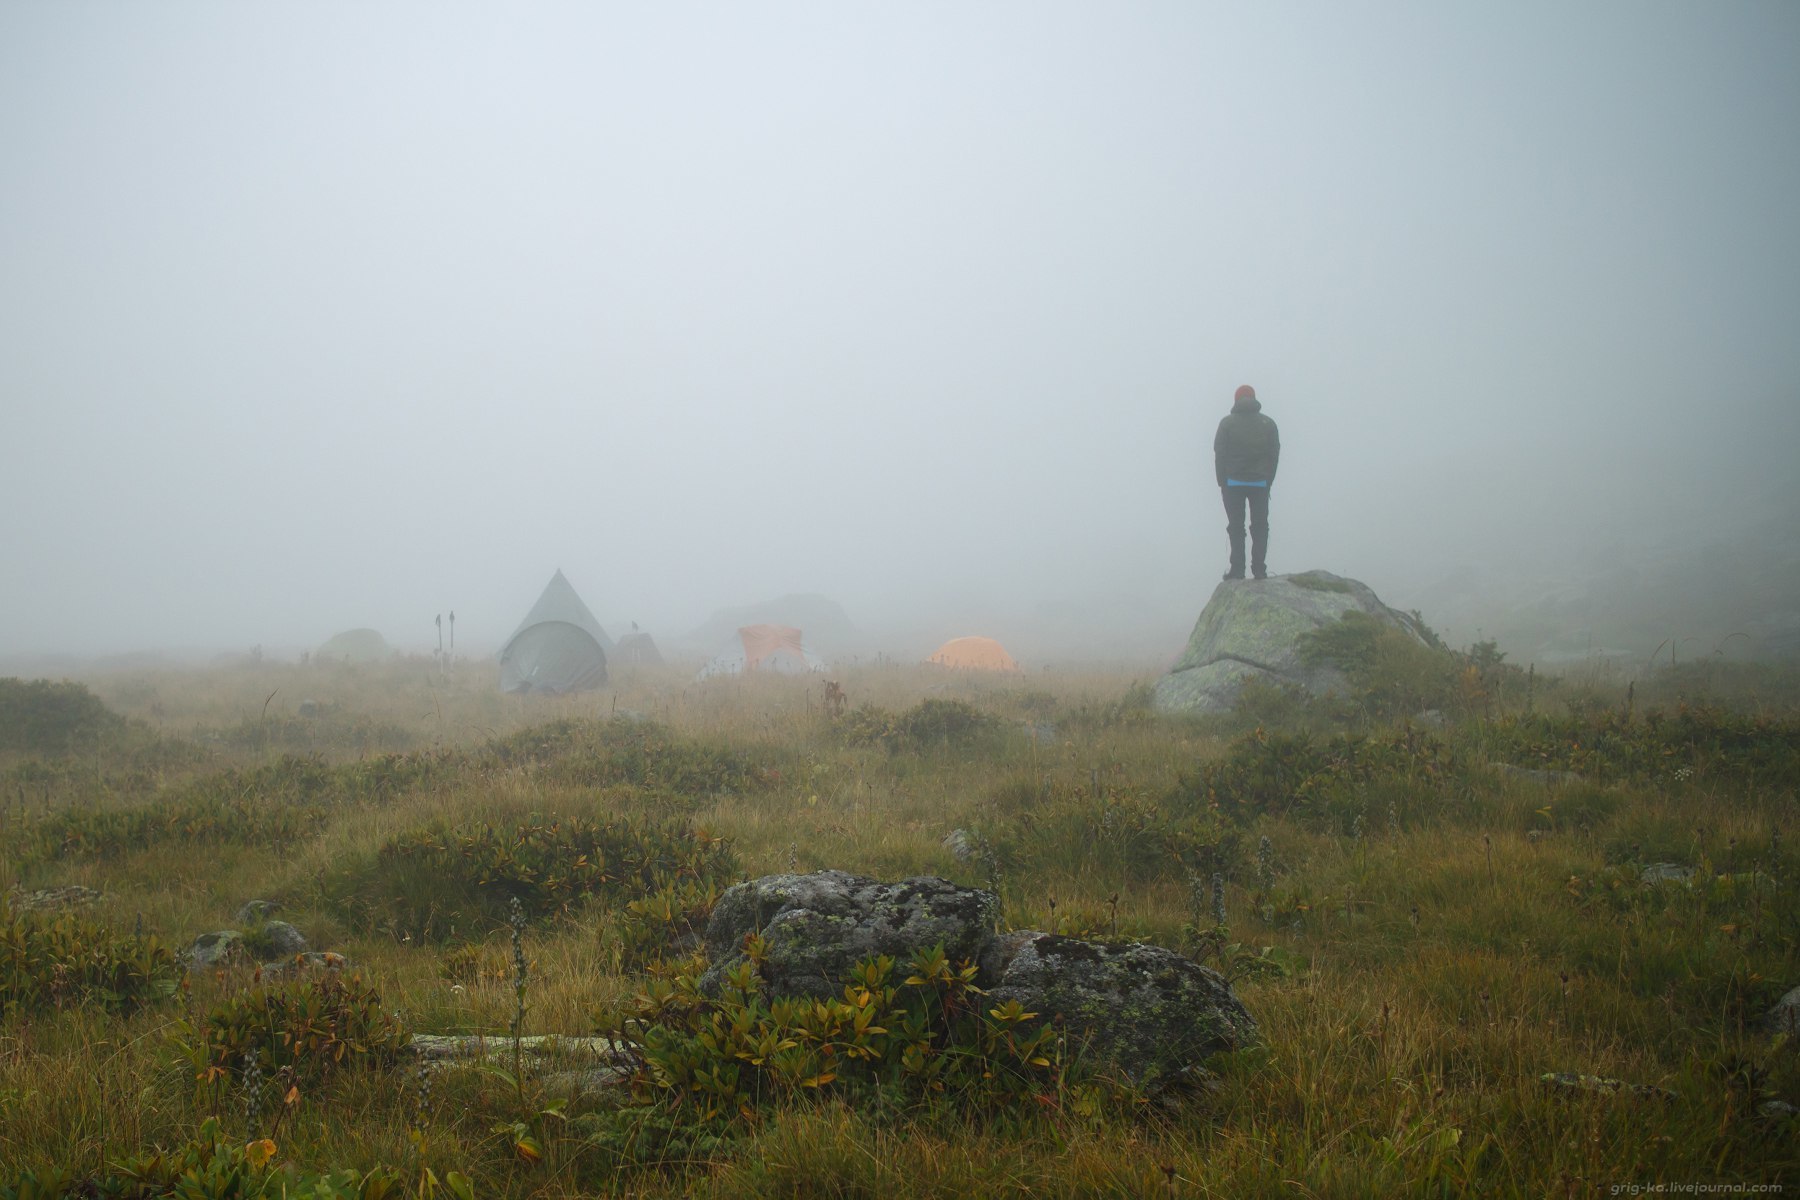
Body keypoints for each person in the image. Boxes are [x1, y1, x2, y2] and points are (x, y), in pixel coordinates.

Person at [1213, 384, 1280, 581]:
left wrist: (1221, 481)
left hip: (1232, 483)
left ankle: (1238, 570)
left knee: (1236, 526)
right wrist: (1269, 480)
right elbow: (1274, 454)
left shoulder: (1227, 423)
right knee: (1260, 526)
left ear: (1236, 400)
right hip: (1260, 482)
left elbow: (1220, 453)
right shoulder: (1268, 423)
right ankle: (1259, 570)